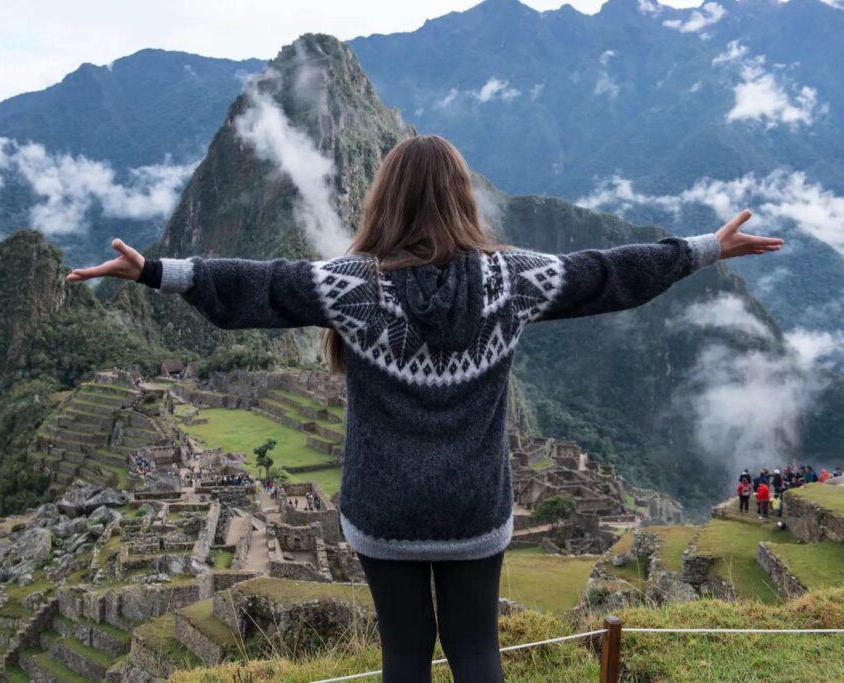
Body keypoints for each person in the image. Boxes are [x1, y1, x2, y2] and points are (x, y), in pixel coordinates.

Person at [66, 134, 782, 683]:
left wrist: (157, 271)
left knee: (403, 654)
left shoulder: (351, 286)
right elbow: (607, 275)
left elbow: (262, 287)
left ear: (386, 201)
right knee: (476, 649)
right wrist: (701, 250)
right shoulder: (514, 278)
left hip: (385, 513)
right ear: (461, 198)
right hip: (474, 509)